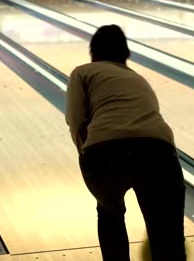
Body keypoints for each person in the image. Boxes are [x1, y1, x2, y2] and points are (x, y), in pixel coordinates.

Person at [65, 24, 186, 261]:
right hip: (158, 152)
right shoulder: (138, 79)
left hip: (104, 153)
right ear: (126, 55)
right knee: (168, 238)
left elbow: (76, 120)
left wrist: (89, 157)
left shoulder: (82, 72)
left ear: (93, 53)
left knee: (109, 212)